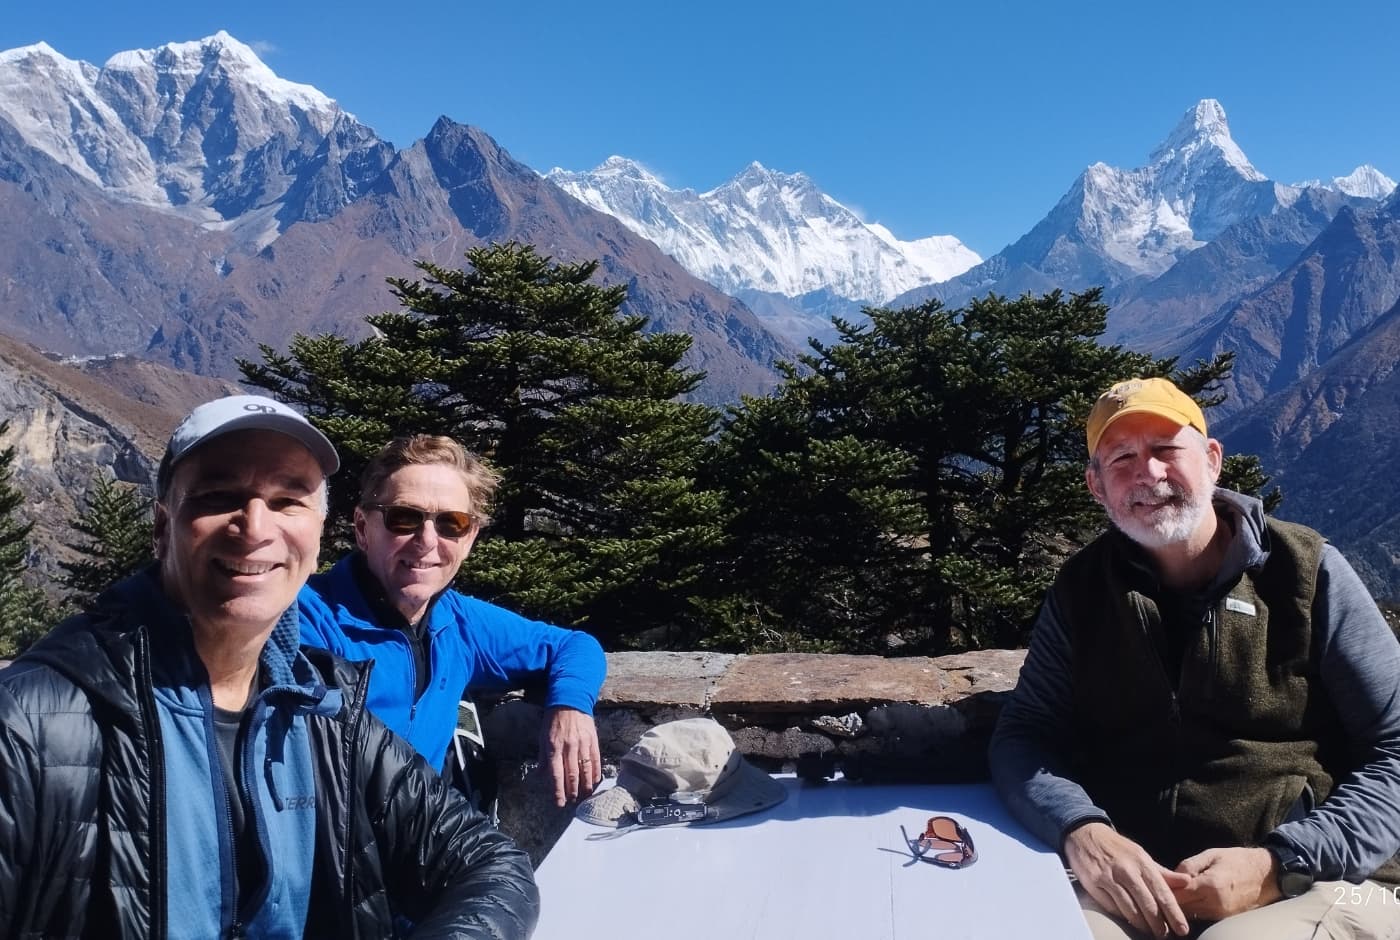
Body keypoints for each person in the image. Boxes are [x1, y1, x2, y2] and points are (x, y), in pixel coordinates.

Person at [0, 395, 539, 938]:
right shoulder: (30, 729)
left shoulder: (324, 713)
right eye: (219, 496)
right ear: (162, 528)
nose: (255, 527)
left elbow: (490, 863)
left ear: (317, 534)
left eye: (287, 501)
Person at [989, 377, 1400, 940]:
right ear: (1096, 486)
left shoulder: (1306, 573)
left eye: (1166, 448)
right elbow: (1024, 734)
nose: (1148, 473)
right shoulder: (1083, 589)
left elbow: (1394, 747)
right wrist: (1081, 830)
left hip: (1321, 876)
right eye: (1122, 458)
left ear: (1211, 460)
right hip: (1143, 883)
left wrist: (1280, 862)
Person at [299, 434, 607, 809]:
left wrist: (571, 707)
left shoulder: (458, 622)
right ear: (363, 528)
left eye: (452, 523)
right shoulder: (309, 619)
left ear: (470, 537)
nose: (427, 540)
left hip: (426, 832)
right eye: (404, 518)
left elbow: (574, 645)